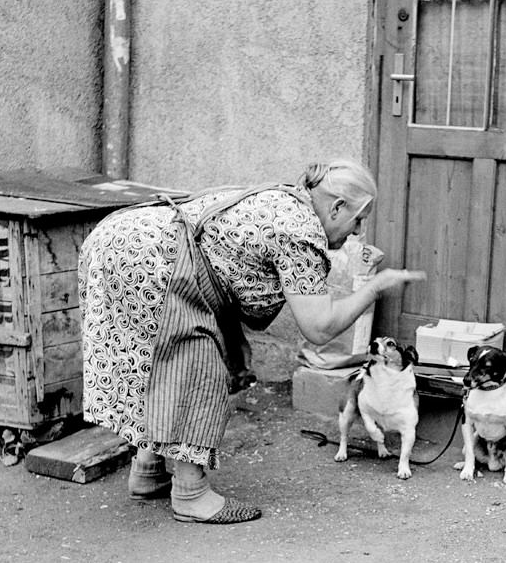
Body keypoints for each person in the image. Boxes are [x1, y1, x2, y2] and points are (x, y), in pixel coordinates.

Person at [77, 159, 425, 524]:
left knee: (157, 363)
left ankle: (148, 470)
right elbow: (319, 328)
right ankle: (191, 494)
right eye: (358, 220)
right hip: (151, 260)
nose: (358, 231)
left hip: (121, 243)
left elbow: (217, 261)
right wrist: (375, 286)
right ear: (337, 207)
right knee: (197, 369)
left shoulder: (286, 199)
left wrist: (234, 338)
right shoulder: (301, 233)